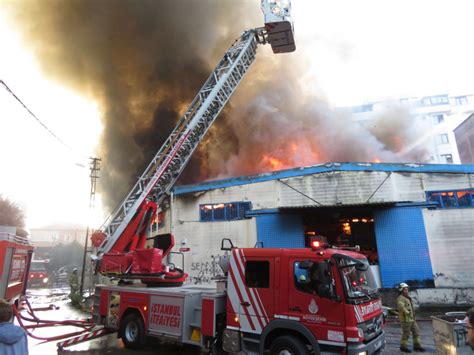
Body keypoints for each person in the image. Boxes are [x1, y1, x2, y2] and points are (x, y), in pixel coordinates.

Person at [396, 283, 425, 353]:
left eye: (407, 289)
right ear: (401, 290)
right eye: (405, 289)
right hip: (406, 319)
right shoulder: (401, 298)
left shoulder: (407, 297)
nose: (407, 290)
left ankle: (417, 346)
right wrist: (407, 312)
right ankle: (403, 346)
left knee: (416, 332)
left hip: (412, 319)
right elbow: (401, 307)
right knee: (406, 334)